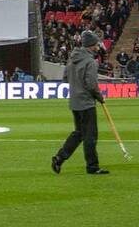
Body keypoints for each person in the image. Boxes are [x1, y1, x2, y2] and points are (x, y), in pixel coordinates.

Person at [52, 30, 109, 175]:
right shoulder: (90, 62)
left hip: (74, 101)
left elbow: (65, 78)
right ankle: (92, 166)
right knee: (90, 135)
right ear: (91, 45)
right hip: (86, 102)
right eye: (96, 44)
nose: (98, 46)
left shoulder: (72, 59)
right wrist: (99, 97)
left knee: (79, 133)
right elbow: (91, 84)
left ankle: (60, 157)